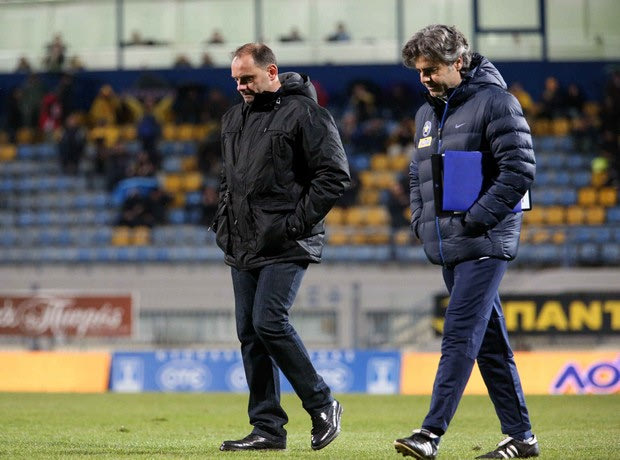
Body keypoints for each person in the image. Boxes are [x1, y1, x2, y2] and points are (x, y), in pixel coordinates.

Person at [393, 25, 538, 459]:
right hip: (450, 243)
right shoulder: (426, 113)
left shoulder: (497, 102)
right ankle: (522, 438)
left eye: (432, 69)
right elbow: (417, 174)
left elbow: (519, 170)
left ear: (458, 61)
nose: (424, 78)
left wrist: (476, 220)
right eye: (420, 72)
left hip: (485, 240)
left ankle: (430, 433)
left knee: (458, 333)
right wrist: (421, 221)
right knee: (490, 344)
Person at [213, 43, 350, 452]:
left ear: (271, 72)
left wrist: (293, 224)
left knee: (269, 321)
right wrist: (224, 220)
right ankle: (268, 428)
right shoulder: (232, 118)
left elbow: (334, 175)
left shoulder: (306, 114)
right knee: (250, 334)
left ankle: (322, 404)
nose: (241, 86)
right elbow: (230, 179)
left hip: (286, 240)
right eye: (236, 80)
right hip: (242, 240)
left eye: (248, 78)